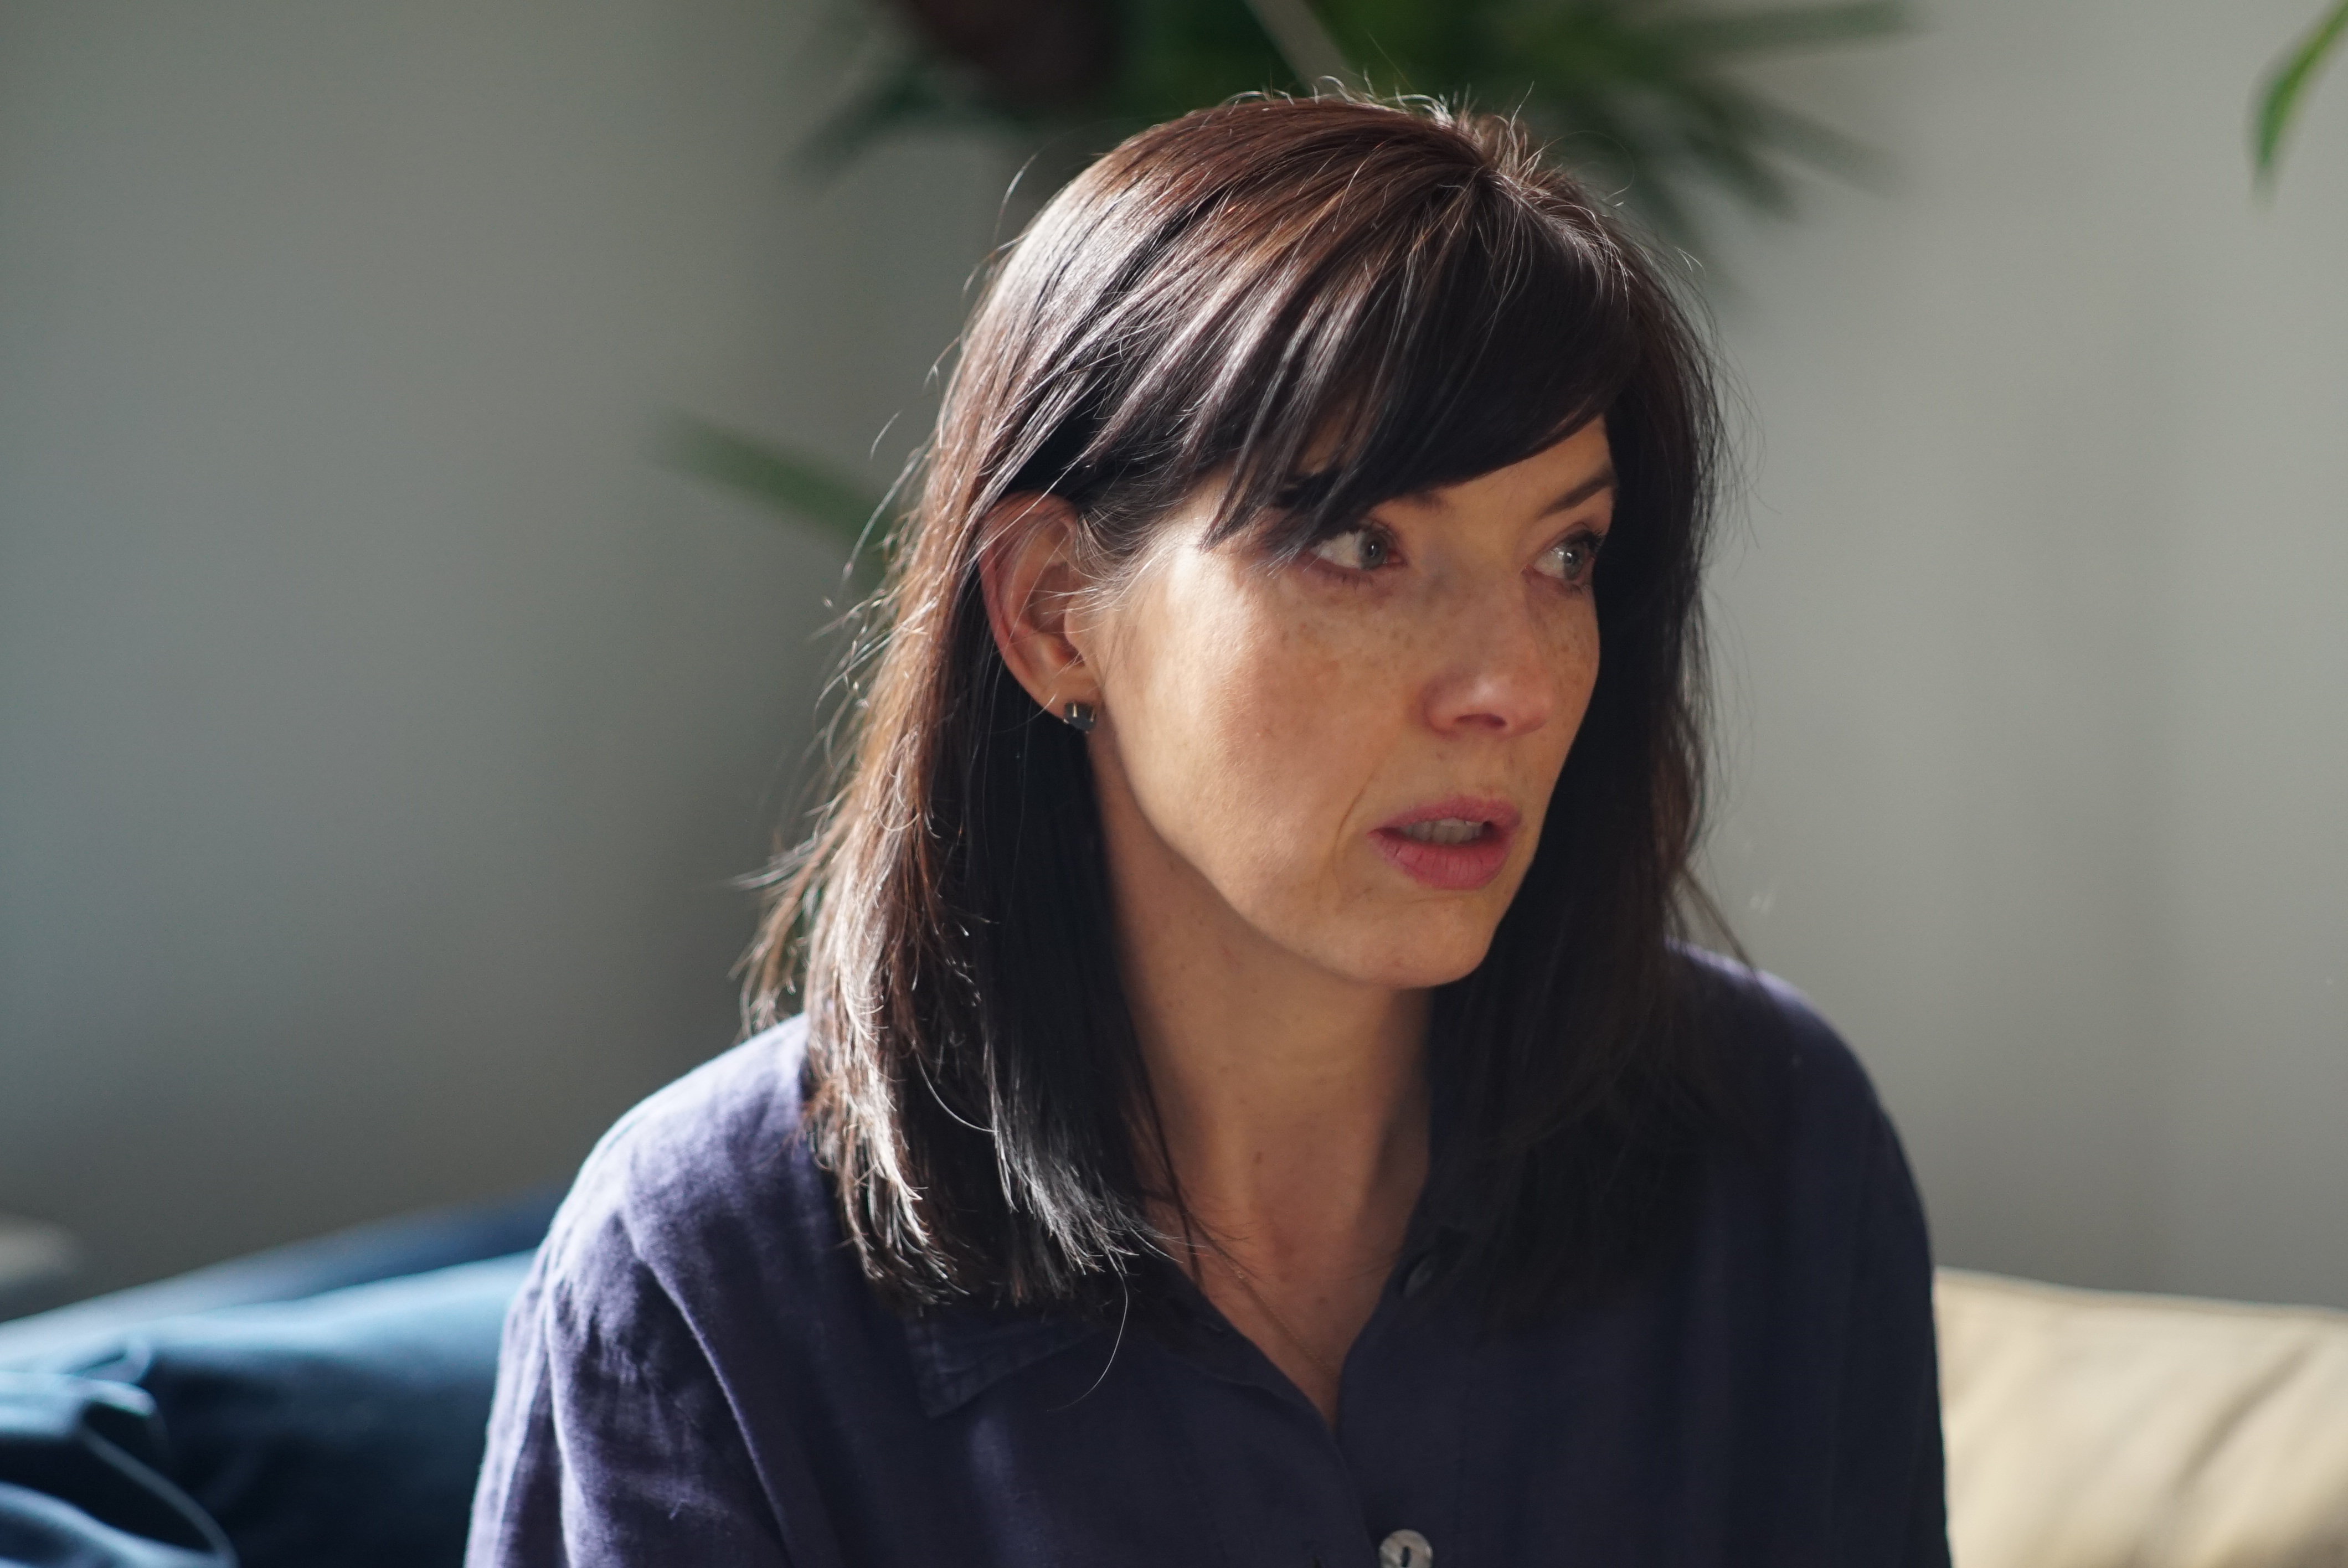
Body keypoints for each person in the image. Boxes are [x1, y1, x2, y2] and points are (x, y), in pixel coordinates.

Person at [467, 95, 1948, 1567]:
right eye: (1364, 546)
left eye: (1566, 554)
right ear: (1055, 612)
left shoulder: (1774, 1145)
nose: (1512, 682)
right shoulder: (704, 1281)